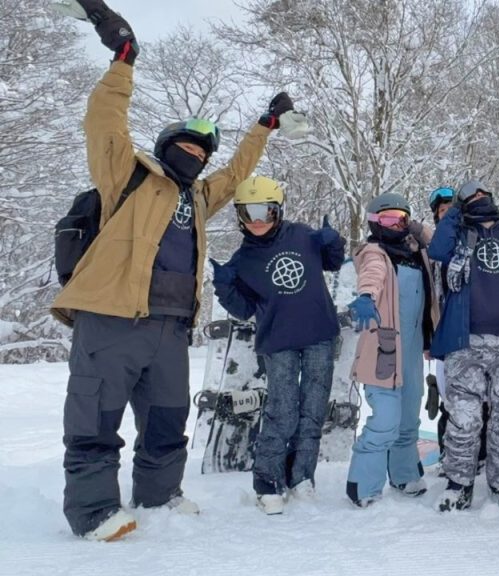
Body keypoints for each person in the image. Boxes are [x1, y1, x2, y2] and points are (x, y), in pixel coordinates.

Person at [52, 0, 288, 540]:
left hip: (170, 326)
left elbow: (236, 172)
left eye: (202, 153)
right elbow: (104, 122)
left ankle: (158, 494)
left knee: (166, 419)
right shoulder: (128, 176)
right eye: (186, 146)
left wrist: (264, 126)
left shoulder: (199, 197)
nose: (196, 156)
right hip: (113, 318)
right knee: (95, 419)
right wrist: (124, 59)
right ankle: (92, 512)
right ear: (163, 148)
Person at [209, 176, 345, 514]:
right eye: (248, 212)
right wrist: (225, 288)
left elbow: (333, 261)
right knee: (282, 411)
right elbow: (243, 309)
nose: (257, 220)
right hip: (278, 341)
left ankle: (301, 476)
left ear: (278, 211)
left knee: (313, 409)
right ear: (239, 216)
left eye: (265, 211)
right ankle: (267, 479)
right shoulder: (243, 260)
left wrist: (332, 242)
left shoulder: (302, 234)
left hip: (319, 334)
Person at [427, 180, 499, 514]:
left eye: (481, 194)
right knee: (463, 419)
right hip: (466, 344)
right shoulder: (457, 238)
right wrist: (454, 213)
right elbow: (436, 249)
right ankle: (458, 484)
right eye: (468, 198)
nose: (476, 199)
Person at [345, 193, 439, 507]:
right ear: (374, 221)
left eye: (402, 217)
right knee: (385, 418)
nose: (396, 224)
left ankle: (404, 474)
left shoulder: (418, 252)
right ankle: (363, 484)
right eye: (387, 218)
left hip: (413, 349)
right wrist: (366, 296)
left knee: (409, 415)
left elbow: (440, 244)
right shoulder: (375, 251)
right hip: (382, 348)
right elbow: (372, 273)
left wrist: (416, 226)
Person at [424, 186, 489, 476]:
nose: (448, 213)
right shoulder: (429, 246)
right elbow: (427, 298)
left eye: (453, 208)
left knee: (480, 399)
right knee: (450, 400)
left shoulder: (468, 242)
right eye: (442, 210)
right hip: (443, 335)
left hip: (472, 334)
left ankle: (482, 454)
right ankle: (447, 453)